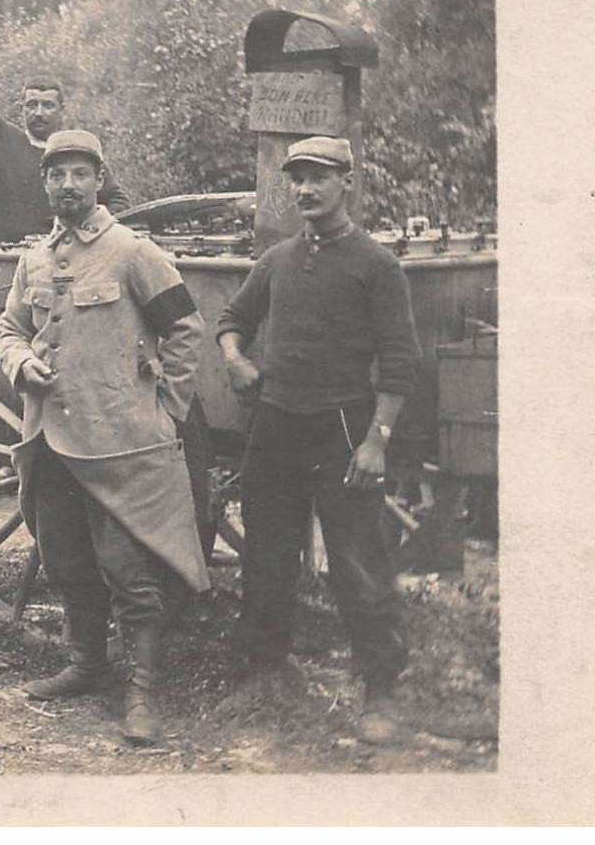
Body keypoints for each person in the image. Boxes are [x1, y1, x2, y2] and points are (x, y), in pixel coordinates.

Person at [0, 130, 208, 744]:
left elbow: (186, 330)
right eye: (56, 175)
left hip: (119, 442)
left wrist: (165, 408)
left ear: (98, 178)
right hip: (50, 443)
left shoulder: (132, 252)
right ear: (46, 184)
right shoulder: (33, 258)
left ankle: (142, 687)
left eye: (79, 174)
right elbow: (8, 329)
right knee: (64, 556)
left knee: (126, 567)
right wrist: (17, 363)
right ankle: (86, 664)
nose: (67, 185)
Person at [215, 135, 421, 746]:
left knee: (358, 561)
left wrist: (376, 440)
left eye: (319, 178)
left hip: (343, 428)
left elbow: (401, 361)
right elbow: (233, 320)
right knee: (268, 551)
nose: (305, 189)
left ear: (347, 184)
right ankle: (265, 672)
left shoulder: (376, 265)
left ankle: (380, 689)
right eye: (297, 179)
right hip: (276, 422)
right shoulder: (277, 259)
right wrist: (233, 359)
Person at [0, 21, 132, 245]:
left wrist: (82, 229)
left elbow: (119, 202)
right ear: (22, 108)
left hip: (58, 258)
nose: (38, 113)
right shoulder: (2, 140)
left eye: (47, 105)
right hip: (1, 257)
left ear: (62, 110)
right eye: (32, 105)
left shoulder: (76, 152)